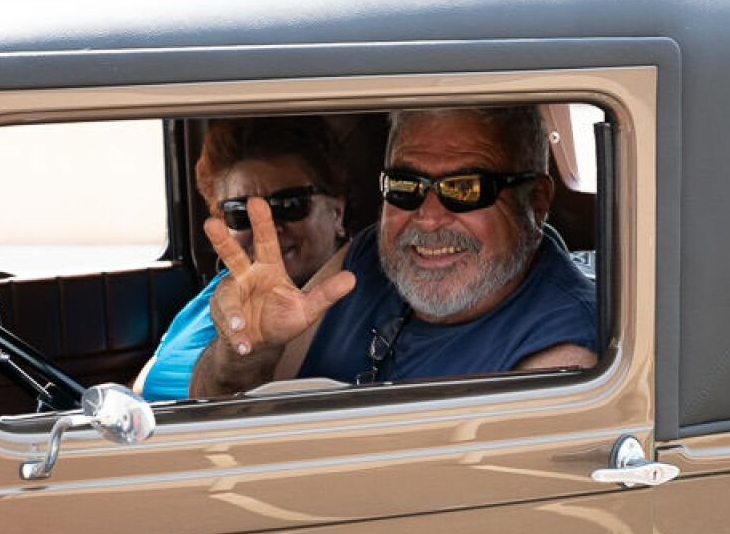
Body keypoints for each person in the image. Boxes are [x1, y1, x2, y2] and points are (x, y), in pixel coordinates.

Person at [189, 106, 597, 397]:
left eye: (466, 189)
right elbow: (215, 405)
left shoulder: (560, 355)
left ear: (536, 201)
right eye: (405, 186)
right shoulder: (368, 257)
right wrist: (245, 352)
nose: (429, 218)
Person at [136, 116, 350, 400]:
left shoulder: (348, 308)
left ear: (337, 213)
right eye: (240, 213)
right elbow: (142, 386)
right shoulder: (218, 290)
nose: (270, 229)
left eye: (290, 205)